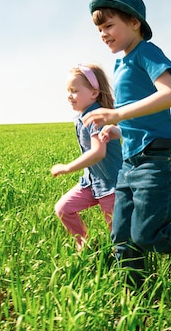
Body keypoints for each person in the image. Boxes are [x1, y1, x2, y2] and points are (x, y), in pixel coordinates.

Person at [82, 0, 171, 285]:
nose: (103, 33)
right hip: (130, 163)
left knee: (147, 234)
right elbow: (135, 113)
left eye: (109, 25)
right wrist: (117, 130)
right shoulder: (119, 63)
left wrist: (117, 115)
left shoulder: (147, 53)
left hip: (158, 158)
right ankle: (136, 294)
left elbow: (170, 95)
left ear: (134, 23)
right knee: (121, 237)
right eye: (99, 29)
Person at [51, 64, 123, 252]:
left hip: (111, 184)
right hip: (91, 183)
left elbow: (98, 152)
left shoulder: (97, 116)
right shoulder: (80, 117)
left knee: (118, 237)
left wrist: (67, 168)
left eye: (74, 91)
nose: (69, 95)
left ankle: (125, 267)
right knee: (64, 209)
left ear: (93, 93)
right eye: (68, 90)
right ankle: (86, 246)